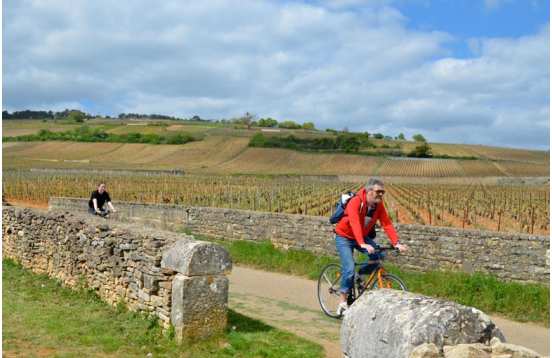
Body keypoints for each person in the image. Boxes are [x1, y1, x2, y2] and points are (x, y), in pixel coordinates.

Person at [334, 177, 407, 316]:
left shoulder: (378, 206)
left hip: (360, 236)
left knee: (378, 256)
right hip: (344, 236)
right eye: (378, 191)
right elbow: (354, 222)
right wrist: (362, 243)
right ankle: (342, 302)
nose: (381, 194)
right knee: (349, 268)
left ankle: (360, 275)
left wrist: (396, 243)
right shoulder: (355, 202)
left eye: (382, 192)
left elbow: (386, 223)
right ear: (369, 191)